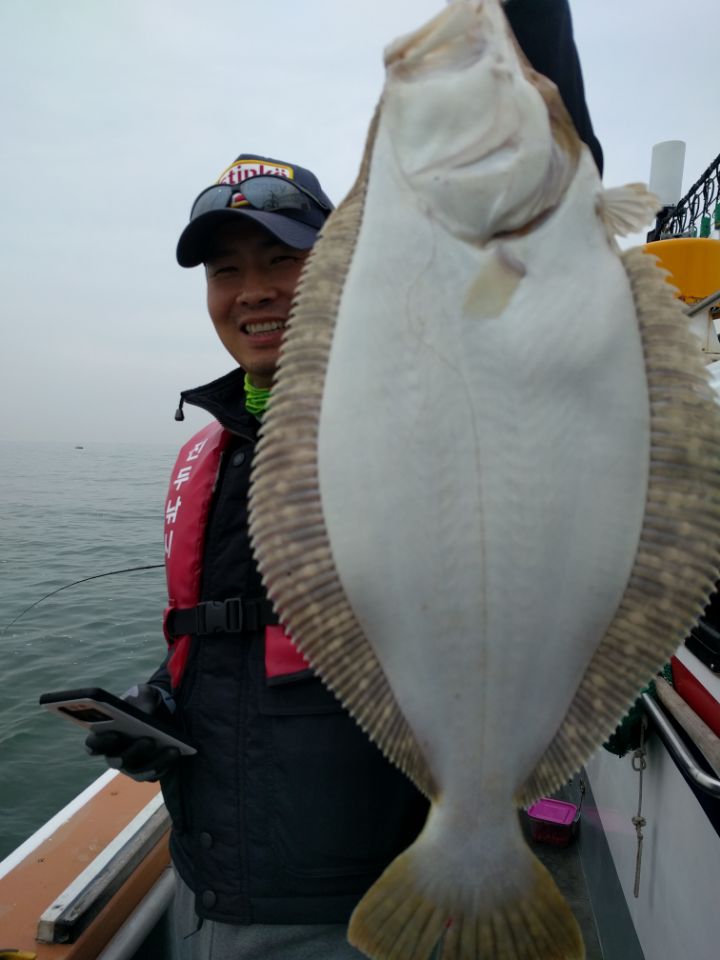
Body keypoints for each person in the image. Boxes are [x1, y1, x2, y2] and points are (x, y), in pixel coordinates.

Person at [86, 3, 602, 957]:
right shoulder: (213, 451)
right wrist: (159, 702)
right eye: (226, 270)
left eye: (283, 259)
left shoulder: (408, 403)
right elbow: (235, 637)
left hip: (349, 893)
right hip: (213, 877)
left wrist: (518, 50)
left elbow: (538, 265)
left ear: (344, 265)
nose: (253, 291)